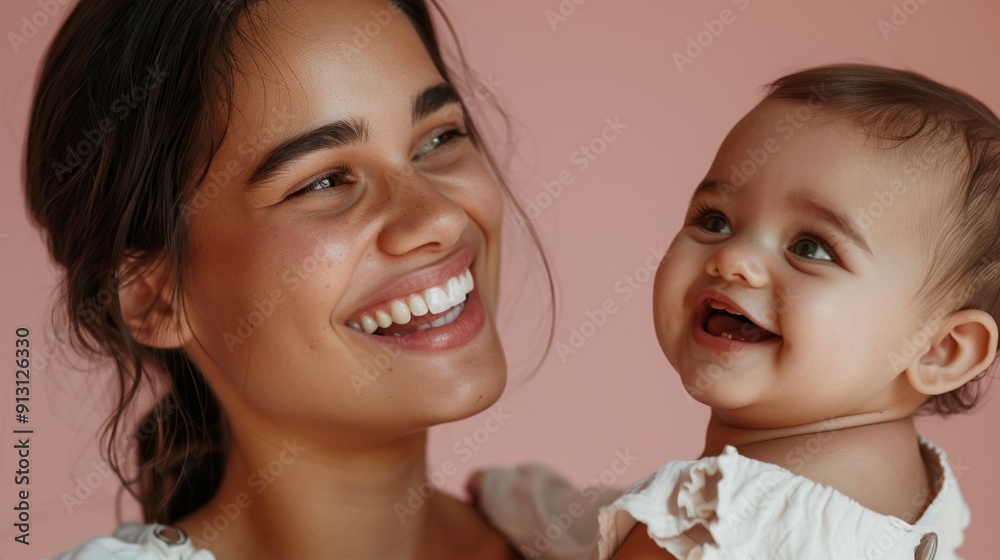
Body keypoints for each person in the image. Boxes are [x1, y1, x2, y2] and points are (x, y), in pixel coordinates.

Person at [25, 0, 563, 558]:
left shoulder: (601, 536)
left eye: (438, 139)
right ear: (153, 295)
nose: (441, 218)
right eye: (324, 182)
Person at [600, 64, 1000, 559]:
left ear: (940, 349)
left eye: (810, 248)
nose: (734, 259)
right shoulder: (921, 497)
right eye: (715, 220)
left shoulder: (730, 519)